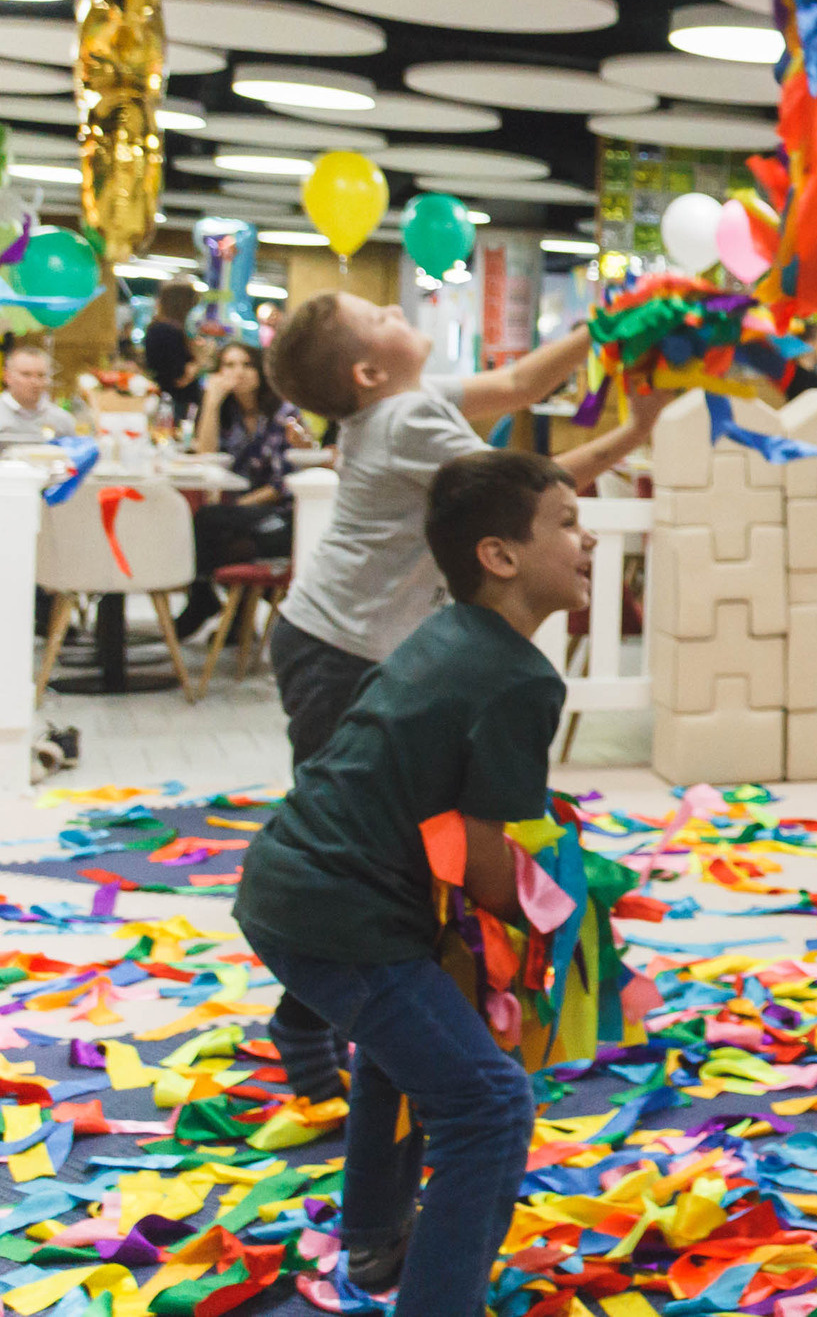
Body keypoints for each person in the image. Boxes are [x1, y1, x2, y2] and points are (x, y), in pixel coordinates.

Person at [261, 293, 657, 1103]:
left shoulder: (411, 399)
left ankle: (359, 1005)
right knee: (361, 852)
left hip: (336, 637)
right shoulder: (404, 418)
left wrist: (609, 322)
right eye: (379, 314)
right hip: (339, 646)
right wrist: (634, 431)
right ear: (368, 372)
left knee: (377, 842)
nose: (393, 303)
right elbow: (520, 498)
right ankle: (310, 1019)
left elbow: (519, 382)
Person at [233, 449, 593, 1315]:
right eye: (567, 523)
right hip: (339, 914)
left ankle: (374, 1238)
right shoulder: (517, 678)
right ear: (499, 555)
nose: (586, 541)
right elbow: (484, 850)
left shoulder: (448, 634)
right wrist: (561, 922)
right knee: (490, 1104)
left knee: (408, 1051)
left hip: (290, 884)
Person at [172, 340, 309, 642]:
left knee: (209, 521)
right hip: (241, 516)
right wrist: (211, 403)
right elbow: (207, 457)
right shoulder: (227, 414)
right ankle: (229, 616)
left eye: (247, 365)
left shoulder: (283, 414)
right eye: (229, 365)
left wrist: (241, 504)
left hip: (281, 516)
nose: (239, 372)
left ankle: (204, 598)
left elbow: (282, 483)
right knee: (214, 530)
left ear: (260, 371)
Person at [142, 280, 202, 425]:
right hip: (177, 403)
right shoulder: (170, 332)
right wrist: (199, 362)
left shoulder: (156, 328)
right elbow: (179, 377)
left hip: (163, 398)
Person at [0, 342, 76, 445]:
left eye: (41, 375)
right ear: (7, 376)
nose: (35, 382)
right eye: (26, 374)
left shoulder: (62, 420)